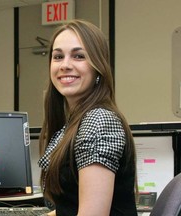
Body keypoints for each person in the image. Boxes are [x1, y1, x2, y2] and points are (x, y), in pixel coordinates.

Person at [38, 19, 138, 216]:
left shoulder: (98, 121)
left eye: (78, 56)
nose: (65, 65)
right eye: (58, 56)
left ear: (97, 66)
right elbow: (70, 207)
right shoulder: (76, 122)